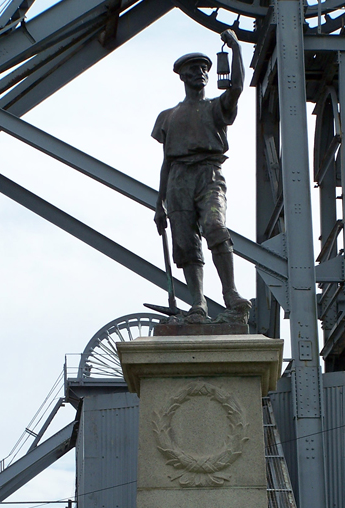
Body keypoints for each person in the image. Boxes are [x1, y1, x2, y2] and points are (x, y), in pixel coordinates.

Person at [152, 29, 251, 323]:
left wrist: (235, 50)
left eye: (204, 69)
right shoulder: (167, 116)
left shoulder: (215, 107)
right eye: (194, 69)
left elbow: (237, 88)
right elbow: (166, 162)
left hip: (209, 174)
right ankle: (198, 304)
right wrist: (158, 203)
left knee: (215, 227)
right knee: (184, 243)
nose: (200, 73)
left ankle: (230, 293)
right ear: (182, 76)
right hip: (178, 180)